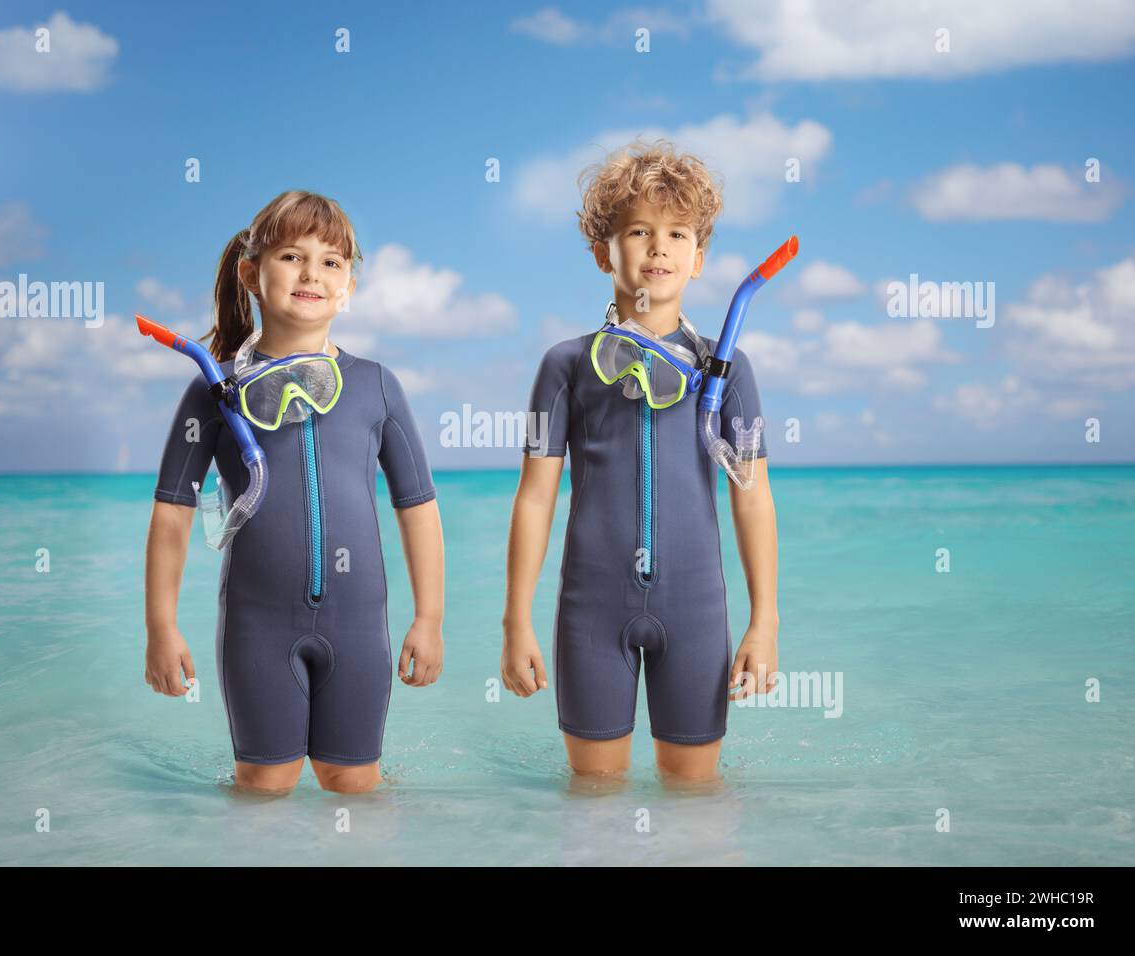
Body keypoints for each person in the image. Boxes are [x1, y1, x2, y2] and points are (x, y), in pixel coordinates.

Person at [144, 190, 445, 795]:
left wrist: (429, 617)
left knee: (355, 783)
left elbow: (417, 506)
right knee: (263, 786)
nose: (312, 273)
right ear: (252, 274)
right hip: (259, 626)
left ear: (349, 287)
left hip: (359, 626)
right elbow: (173, 510)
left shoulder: (375, 387)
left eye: (332, 262)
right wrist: (161, 627)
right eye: (291, 255)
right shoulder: (217, 390)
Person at [501, 140, 780, 783]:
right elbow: (536, 497)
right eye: (639, 232)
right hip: (591, 611)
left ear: (699, 258)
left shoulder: (727, 371)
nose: (659, 248)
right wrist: (516, 619)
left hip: (696, 611)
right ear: (605, 253)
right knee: (593, 800)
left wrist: (764, 622)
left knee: (696, 803)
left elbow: (752, 495)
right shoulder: (565, 367)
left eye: (677, 233)